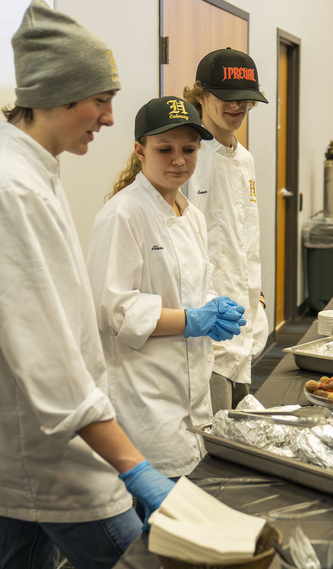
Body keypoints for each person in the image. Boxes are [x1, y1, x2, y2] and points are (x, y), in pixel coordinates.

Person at [0, 0, 175, 569]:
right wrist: (134, 467)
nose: (110, 119)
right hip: (50, 446)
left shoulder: (26, 169)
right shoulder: (9, 186)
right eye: (100, 100)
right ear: (59, 96)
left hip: (32, 440)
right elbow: (47, 357)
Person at [86, 96, 246, 480]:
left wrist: (214, 308)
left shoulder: (189, 215)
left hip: (190, 391)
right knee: (154, 511)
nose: (179, 160)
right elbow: (113, 309)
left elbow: (192, 288)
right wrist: (192, 320)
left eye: (189, 149)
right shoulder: (123, 214)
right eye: (165, 149)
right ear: (140, 151)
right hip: (144, 396)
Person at [182, 48, 271, 411]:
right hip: (205, 320)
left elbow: (246, 238)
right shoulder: (188, 158)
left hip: (244, 315)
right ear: (200, 95)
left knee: (237, 421)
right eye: (227, 98)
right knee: (210, 430)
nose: (237, 107)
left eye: (246, 100)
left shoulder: (245, 158)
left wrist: (257, 296)